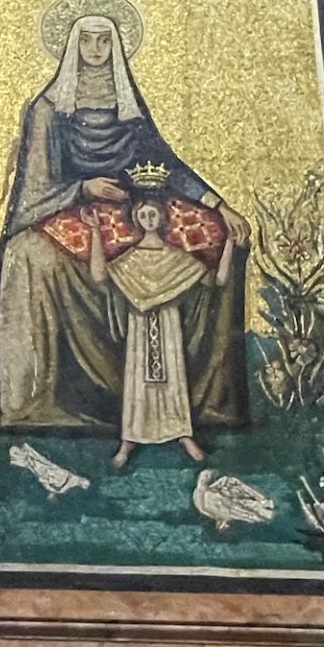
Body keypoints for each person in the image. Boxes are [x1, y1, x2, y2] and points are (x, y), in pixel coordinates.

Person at [0, 12, 248, 435]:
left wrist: (219, 205)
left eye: (104, 41)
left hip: (136, 206)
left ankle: (205, 399)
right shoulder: (47, 108)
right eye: (87, 41)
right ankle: (41, 399)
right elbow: (35, 184)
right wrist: (82, 188)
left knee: (222, 237)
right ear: (73, 46)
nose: (95, 50)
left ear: (116, 47)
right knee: (25, 255)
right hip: (69, 206)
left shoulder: (128, 106)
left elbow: (165, 164)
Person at [87, 196, 236, 468]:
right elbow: (99, 276)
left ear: (162, 218)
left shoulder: (175, 258)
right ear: (136, 220)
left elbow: (219, 281)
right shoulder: (130, 260)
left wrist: (229, 243)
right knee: (137, 384)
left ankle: (182, 433)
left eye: (153, 214)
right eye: (143, 215)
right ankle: (129, 440)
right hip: (139, 333)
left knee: (173, 380)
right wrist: (96, 231)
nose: (149, 219)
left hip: (168, 329)